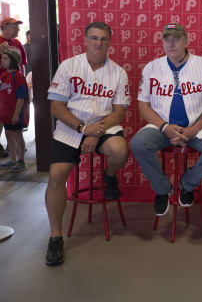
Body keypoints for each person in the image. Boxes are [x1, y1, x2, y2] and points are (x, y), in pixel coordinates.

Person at [45, 22, 130, 266]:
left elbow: (119, 111)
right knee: (55, 175)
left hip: (103, 125)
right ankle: (55, 236)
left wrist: (95, 132)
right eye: (94, 38)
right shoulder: (68, 66)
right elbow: (56, 107)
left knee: (119, 151)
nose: (98, 43)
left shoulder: (118, 72)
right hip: (71, 127)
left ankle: (109, 176)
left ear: (109, 42)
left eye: (103, 39)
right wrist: (83, 129)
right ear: (84, 40)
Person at [131, 23, 202, 217]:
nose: (171, 43)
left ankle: (187, 183)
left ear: (186, 40)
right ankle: (162, 189)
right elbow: (143, 105)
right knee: (138, 144)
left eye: (176, 38)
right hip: (161, 126)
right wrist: (165, 127)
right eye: (167, 38)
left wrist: (193, 130)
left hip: (196, 127)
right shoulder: (152, 67)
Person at [0, 17, 28, 159]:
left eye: (18, 26)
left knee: (17, 123)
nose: (17, 29)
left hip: (16, 85)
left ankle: (19, 155)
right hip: (2, 86)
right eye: (14, 26)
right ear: (4, 27)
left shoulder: (17, 43)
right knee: (4, 119)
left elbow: (23, 63)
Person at [0, 48, 29, 172]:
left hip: (16, 113)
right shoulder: (3, 76)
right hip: (5, 113)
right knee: (8, 135)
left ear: (12, 60)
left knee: (18, 135)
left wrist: (16, 115)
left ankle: (21, 161)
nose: (2, 60)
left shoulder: (18, 77)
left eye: (5, 58)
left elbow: (21, 97)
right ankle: (12, 160)